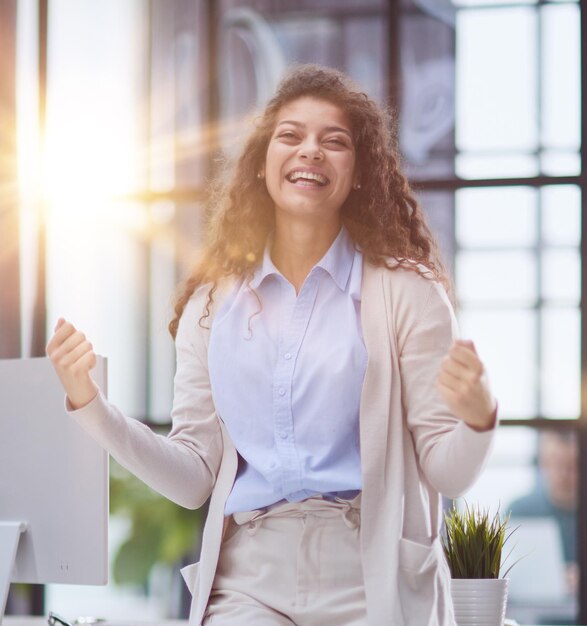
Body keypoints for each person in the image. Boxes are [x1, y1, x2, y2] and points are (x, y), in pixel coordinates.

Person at [46, 64, 498, 626]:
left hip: (368, 576)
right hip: (250, 580)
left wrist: (478, 420)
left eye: (334, 142)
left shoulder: (408, 293)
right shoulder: (211, 307)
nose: (311, 151)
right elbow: (193, 478)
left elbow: (447, 472)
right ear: (263, 164)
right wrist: (90, 405)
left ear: (359, 173)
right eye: (291, 136)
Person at [509, 430, 578, 595]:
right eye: (555, 464)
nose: (563, 475)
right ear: (542, 463)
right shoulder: (519, 512)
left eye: (572, 466)